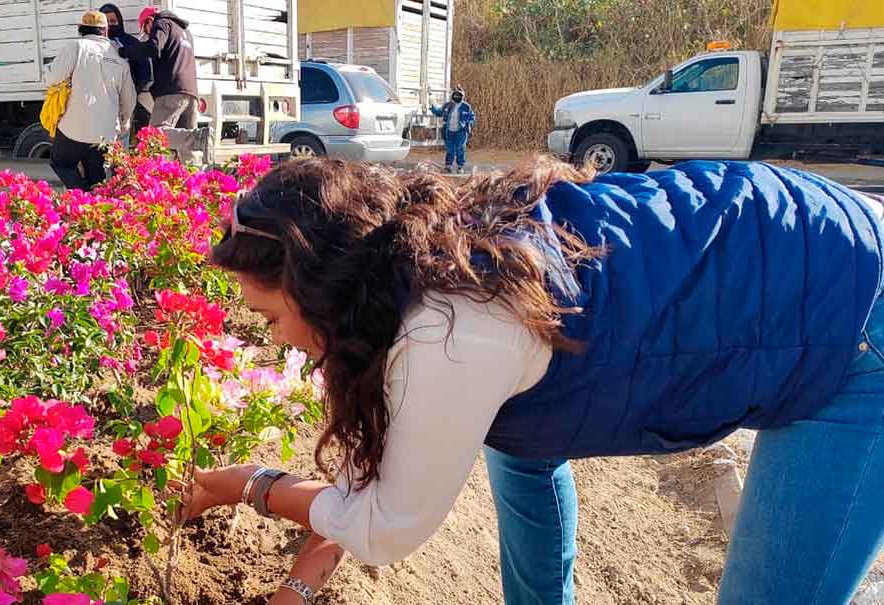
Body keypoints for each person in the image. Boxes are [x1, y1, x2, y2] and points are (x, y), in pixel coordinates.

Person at [179, 157, 884, 605]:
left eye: (268, 314)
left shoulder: (449, 330)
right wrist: (310, 558)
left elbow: (387, 528)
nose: (265, 333)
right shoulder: (404, 263)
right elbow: (377, 480)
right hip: (778, 242)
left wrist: (249, 484)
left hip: (849, 312)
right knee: (519, 441)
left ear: (316, 285)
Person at [43, 10, 135, 192]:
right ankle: (94, 208)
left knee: (61, 163)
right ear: (105, 31)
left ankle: (81, 195)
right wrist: (124, 121)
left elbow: (53, 78)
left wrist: (47, 70)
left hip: (75, 128)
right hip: (105, 132)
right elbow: (129, 98)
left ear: (81, 30)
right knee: (97, 177)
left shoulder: (76, 47)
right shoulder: (119, 58)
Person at [131, 6, 209, 163]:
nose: (148, 34)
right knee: (187, 151)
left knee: (153, 137)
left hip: (171, 91)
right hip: (191, 92)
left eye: (146, 31)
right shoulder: (185, 31)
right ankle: (193, 182)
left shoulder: (162, 23)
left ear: (149, 21)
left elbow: (154, 48)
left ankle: (199, 137)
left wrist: (127, 50)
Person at [100, 3, 154, 144]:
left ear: (119, 21)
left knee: (125, 138)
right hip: (101, 100)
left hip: (126, 101)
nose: (110, 25)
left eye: (113, 21)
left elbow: (144, 71)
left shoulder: (130, 43)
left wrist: (133, 91)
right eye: (106, 22)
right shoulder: (94, 45)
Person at [429, 88, 474, 174]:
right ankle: (448, 166)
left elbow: (471, 117)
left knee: (460, 149)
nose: (457, 96)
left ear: (462, 96)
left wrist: (468, 124)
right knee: (450, 149)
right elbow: (439, 112)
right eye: (455, 95)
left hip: (461, 131)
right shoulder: (447, 105)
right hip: (449, 131)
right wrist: (432, 107)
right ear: (452, 95)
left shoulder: (466, 106)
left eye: (459, 95)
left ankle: (460, 167)